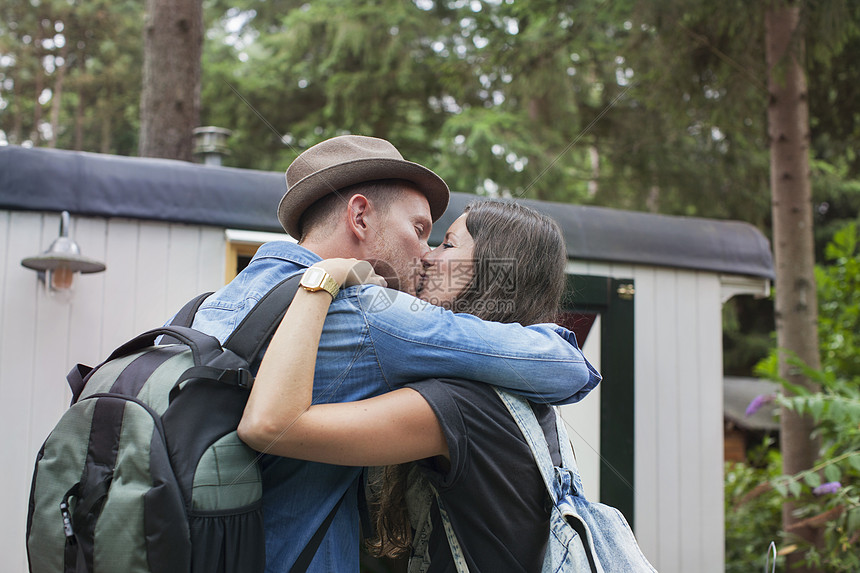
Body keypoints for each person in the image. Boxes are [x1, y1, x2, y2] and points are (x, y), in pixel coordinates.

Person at [191, 135, 600, 571]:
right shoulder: (374, 316)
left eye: (442, 242)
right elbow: (564, 367)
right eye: (421, 231)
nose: (425, 254)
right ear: (361, 217)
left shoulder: (208, 306)